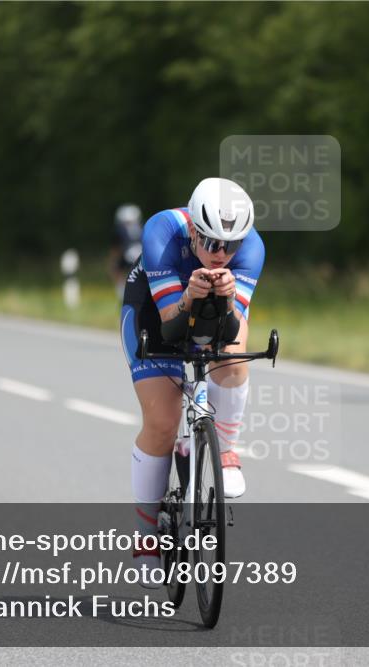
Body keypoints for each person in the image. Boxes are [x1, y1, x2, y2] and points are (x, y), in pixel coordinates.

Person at [119, 178, 263, 585]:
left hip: (212, 309)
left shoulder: (251, 248)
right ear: (195, 231)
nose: (222, 255)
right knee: (163, 421)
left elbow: (234, 333)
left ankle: (227, 451)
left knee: (234, 360)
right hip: (153, 311)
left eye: (231, 246)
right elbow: (170, 329)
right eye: (213, 243)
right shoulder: (162, 232)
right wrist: (188, 298)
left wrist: (229, 300)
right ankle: (146, 537)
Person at [110, 203, 143, 298]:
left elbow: (116, 250)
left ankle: (123, 295)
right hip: (141, 256)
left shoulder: (119, 230)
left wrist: (113, 264)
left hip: (127, 257)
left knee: (119, 272)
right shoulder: (142, 227)